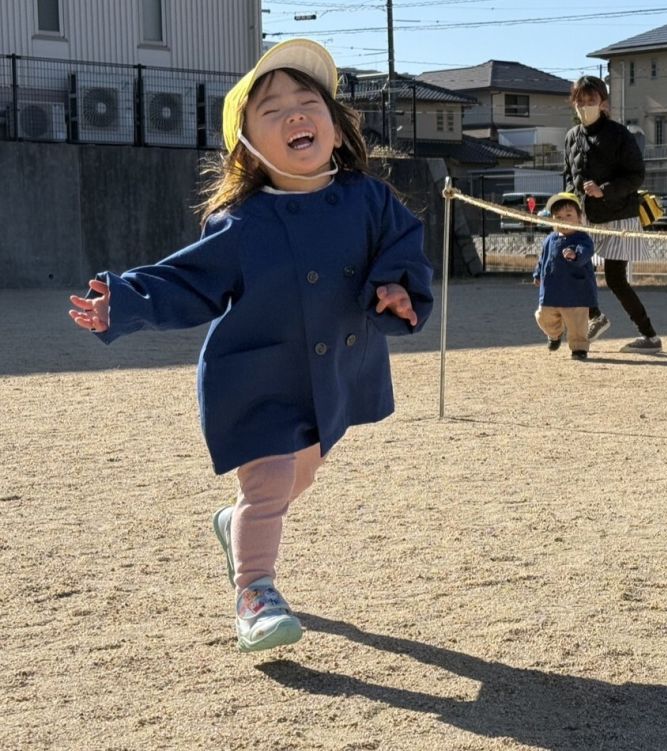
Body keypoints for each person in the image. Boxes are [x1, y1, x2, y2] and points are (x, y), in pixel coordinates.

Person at [67, 39, 434, 653]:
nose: (294, 113)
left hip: (332, 375)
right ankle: (255, 592)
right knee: (268, 487)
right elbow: (186, 281)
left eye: (306, 100)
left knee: (301, 475)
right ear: (249, 150)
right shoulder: (243, 222)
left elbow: (403, 248)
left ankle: (236, 523)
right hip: (256, 377)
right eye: (271, 109)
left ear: (337, 131)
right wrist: (124, 300)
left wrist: (397, 289)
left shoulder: (371, 200)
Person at [563, 75, 661, 354]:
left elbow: (636, 175)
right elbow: (568, 176)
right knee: (575, 266)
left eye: (591, 100)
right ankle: (596, 317)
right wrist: (566, 205)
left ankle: (649, 335)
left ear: (603, 102)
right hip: (585, 218)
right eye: (580, 101)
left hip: (619, 215)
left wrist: (604, 190)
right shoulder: (571, 137)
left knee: (616, 278)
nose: (585, 106)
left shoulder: (619, 134)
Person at [532, 192, 597, 361]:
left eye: (569, 215)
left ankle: (579, 348)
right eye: (558, 216)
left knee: (577, 324)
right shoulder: (549, 239)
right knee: (543, 315)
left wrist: (575, 255)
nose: (564, 220)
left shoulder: (583, 238)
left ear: (579, 217)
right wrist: (538, 274)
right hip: (552, 290)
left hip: (577, 291)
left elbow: (586, 252)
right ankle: (554, 334)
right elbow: (543, 259)